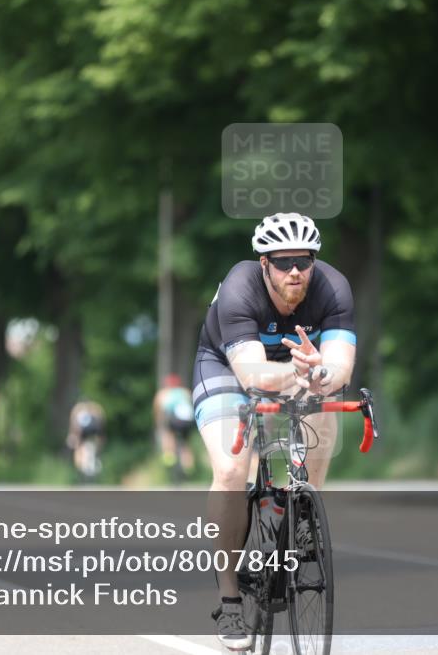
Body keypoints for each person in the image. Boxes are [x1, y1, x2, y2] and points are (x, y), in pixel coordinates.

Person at [192, 212, 356, 650]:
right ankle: (229, 600)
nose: (295, 272)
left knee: (323, 407)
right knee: (231, 470)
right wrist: (305, 372)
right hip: (225, 368)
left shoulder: (333, 288)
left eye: (303, 261)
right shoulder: (239, 287)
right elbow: (251, 375)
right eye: (283, 263)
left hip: (296, 368)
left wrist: (319, 373)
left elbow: (340, 368)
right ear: (264, 264)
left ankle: (304, 514)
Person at [153, 373, 196, 481]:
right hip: (189, 421)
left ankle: (169, 455)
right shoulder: (185, 392)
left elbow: (158, 411)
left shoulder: (163, 393)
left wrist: (159, 425)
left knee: (167, 433)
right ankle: (188, 467)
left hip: (175, 419)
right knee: (185, 444)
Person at [65, 399, 106, 479]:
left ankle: (80, 464)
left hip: (84, 431)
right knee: (98, 443)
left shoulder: (77, 409)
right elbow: (102, 423)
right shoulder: (96, 408)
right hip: (94, 430)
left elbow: (74, 425)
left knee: (76, 445)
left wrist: (72, 437)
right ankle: (97, 457)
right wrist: (101, 441)